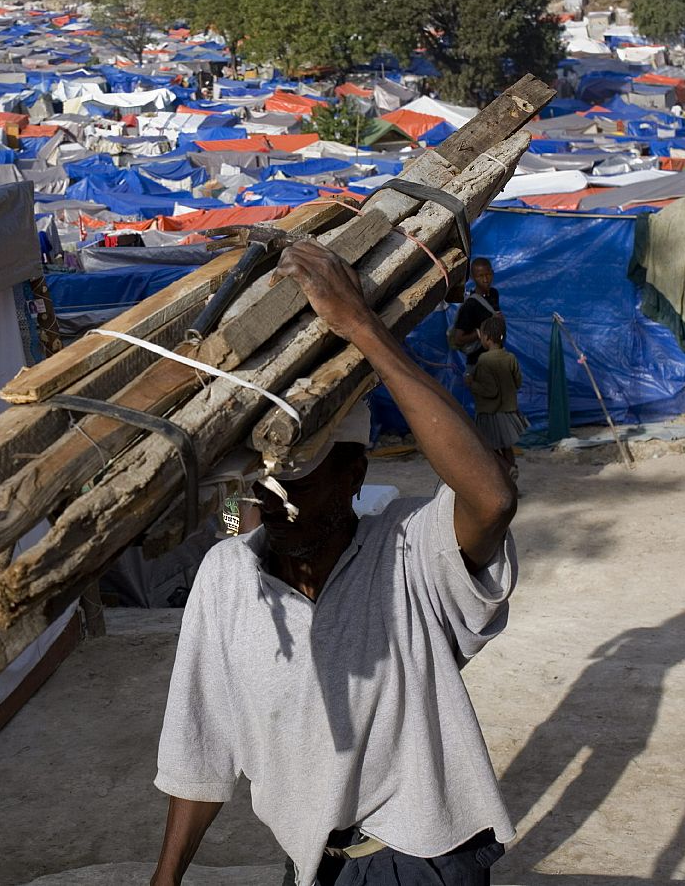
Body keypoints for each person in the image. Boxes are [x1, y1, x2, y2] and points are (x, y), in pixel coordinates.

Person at [151, 240, 518, 886]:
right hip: (312, 865)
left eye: (299, 481)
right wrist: (166, 877)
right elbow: (201, 748)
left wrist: (361, 327)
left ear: (353, 473)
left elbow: (489, 498)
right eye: (263, 484)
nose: (276, 501)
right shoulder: (225, 576)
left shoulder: (407, 550)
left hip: (425, 860)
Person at [465, 314, 527, 479]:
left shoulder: (484, 360)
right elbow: (518, 382)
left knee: (489, 448)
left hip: (490, 414)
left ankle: (507, 470)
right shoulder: (511, 358)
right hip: (509, 412)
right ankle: (512, 476)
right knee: (507, 447)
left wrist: (471, 383)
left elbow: (489, 391)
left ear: (486, 338)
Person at [449, 258, 500, 365]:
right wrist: (481, 333)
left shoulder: (494, 294)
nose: (485, 279)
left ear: (492, 273)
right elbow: (458, 339)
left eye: (488, 274)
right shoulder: (470, 305)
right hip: (478, 363)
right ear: (472, 277)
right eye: (480, 276)